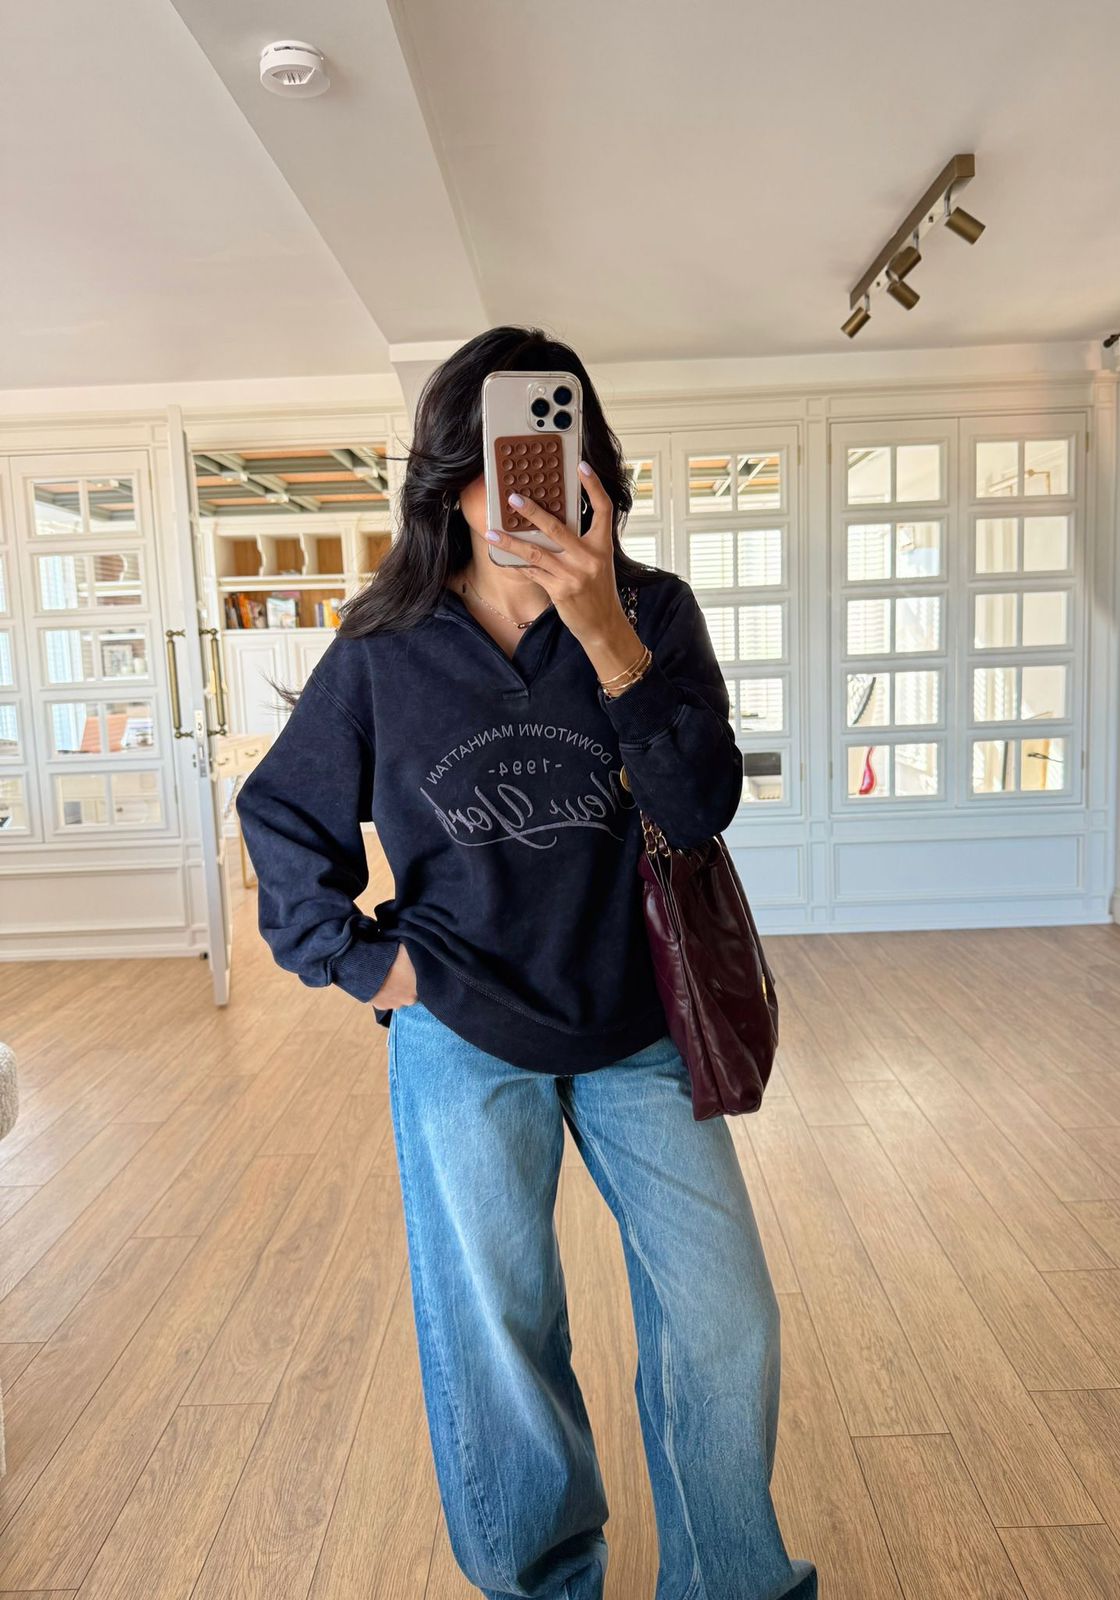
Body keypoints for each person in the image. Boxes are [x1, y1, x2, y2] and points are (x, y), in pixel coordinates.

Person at [235, 326, 819, 1600]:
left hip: (638, 1027)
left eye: (554, 450)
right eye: (501, 457)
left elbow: (699, 806)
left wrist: (606, 635)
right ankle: (547, 1584)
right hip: (461, 1034)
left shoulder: (652, 612)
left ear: (590, 467)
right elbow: (280, 814)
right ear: (453, 477)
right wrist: (365, 965)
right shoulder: (386, 646)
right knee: (499, 1334)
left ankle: (731, 1583)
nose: (528, 482)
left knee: (726, 1317)